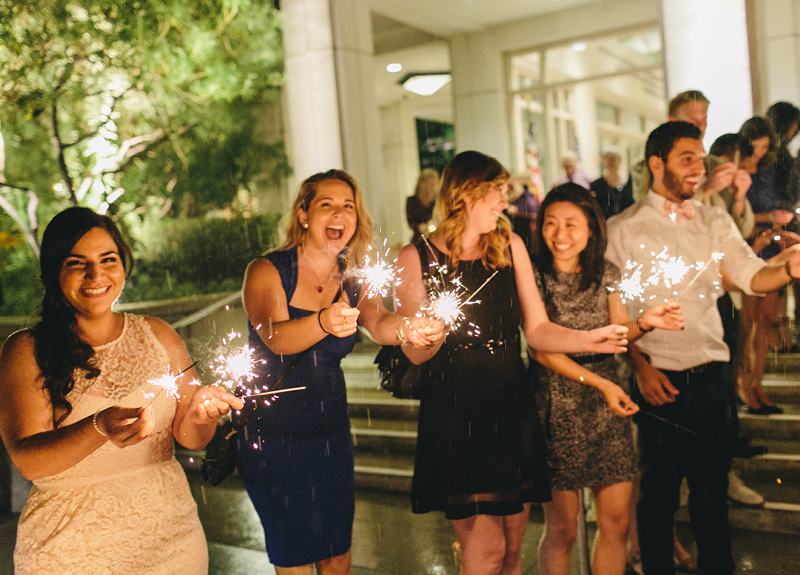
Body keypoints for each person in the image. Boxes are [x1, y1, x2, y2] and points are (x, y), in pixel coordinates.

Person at [394, 150, 629, 575]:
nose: (506, 202)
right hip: (456, 411)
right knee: (485, 553)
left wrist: (588, 336)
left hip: (510, 405)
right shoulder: (417, 258)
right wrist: (425, 337)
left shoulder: (509, 246)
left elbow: (537, 330)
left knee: (514, 549)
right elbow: (413, 351)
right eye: (498, 193)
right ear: (466, 194)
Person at [0, 207, 244, 575]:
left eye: (108, 259)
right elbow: (28, 459)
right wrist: (98, 427)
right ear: (54, 270)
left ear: (123, 265)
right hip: (72, 549)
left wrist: (200, 414)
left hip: (170, 538)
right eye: (77, 262)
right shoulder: (27, 350)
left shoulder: (159, 334)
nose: (96, 275)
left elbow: (191, 437)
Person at [607, 121, 800, 575]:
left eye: (700, 157)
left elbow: (752, 276)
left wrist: (789, 269)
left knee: (712, 494)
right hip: (660, 376)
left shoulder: (714, 220)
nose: (700, 167)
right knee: (658, 495)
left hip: (713, 375)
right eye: (687, 158)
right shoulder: (623, 228)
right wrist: (638, 367)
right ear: (657, 164)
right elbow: (614, 314)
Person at [238, 169, 444, 574]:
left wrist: (409, 328)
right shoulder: (266, 270)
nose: (339, 214)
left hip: (330, 429)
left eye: (347, 206)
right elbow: (275, 338)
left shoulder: (353, 273)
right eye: (326, 205)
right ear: (303, 214)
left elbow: (379, 320)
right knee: (294, 557)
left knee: (338, 556)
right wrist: (322, 322)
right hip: (272, 434)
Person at [532, 183, 683, 575]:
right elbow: (541, 350)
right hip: (557, 403)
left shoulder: (607, 273)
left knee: (615, 523)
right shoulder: (536, 276)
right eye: (551, 223)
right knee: (563, 529)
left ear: (591, 230)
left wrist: (645, 323)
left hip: (608, 407)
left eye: (570, 224)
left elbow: (618, 332)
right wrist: (602, 384)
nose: (560, 234)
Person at [737, 117, 792, 414]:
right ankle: (744, 384)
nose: (760, 151)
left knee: (766, 321)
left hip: (769, 244)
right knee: (746, 323)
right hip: (747, 248)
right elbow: (740, 217)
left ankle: (758, 383)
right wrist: (769, 216)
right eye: (756, 145)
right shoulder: (740, 172)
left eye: (766, 145)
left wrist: (777, 222)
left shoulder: (767, 172)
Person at [590, 150, 634, 219]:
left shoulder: (631, 181)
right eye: (607, 159)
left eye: (613, 159)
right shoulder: (596, 185)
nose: (610, 162)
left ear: (619, 160)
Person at [406, 168, 439, 242]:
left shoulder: (437, 201)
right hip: (419, 239)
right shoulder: (412, 201)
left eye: (432, 185)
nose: (430, 188)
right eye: (428, 184)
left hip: (435, 237)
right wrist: (420, 227)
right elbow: (411, 221)